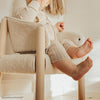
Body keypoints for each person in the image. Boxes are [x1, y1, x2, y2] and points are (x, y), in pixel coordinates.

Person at [13, 0, 93, 80]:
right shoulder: (23, 11)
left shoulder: (41, 15)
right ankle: (74, 71)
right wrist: (36, 2)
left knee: (63, 42)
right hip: (32, 46)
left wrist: (55, 28)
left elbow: (48, 32)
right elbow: (24, 20)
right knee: (54, 45)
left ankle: (75, 51)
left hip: (45, 43)